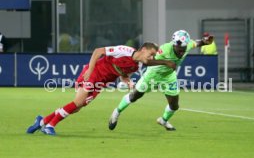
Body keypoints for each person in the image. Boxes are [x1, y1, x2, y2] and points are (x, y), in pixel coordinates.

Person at [26, 42, 176, 135]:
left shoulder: (135, 66)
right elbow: (98, 51)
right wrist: (90, 71)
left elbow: (123, 75)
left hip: (102, 83)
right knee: (78, 102)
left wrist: (128, 82)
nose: (151, 58)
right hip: (94, 73)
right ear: (143, 49)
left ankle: (42, 121)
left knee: (77, 107)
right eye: (151, 54)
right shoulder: (125, 50)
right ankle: (50, 125)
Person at [108, 30, 214, 131]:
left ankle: (163, 120)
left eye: (184, 48)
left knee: (174, 105)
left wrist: (206, 42)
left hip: (168, 76)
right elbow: (146, 61)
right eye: (180, 48)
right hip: (153, 74)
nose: (182, 51)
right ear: (174, 45)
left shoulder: (187, 45)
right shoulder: (164, 49)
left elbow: (197, 43)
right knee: (135, 96)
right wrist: (165, 62)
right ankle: (116, 112)